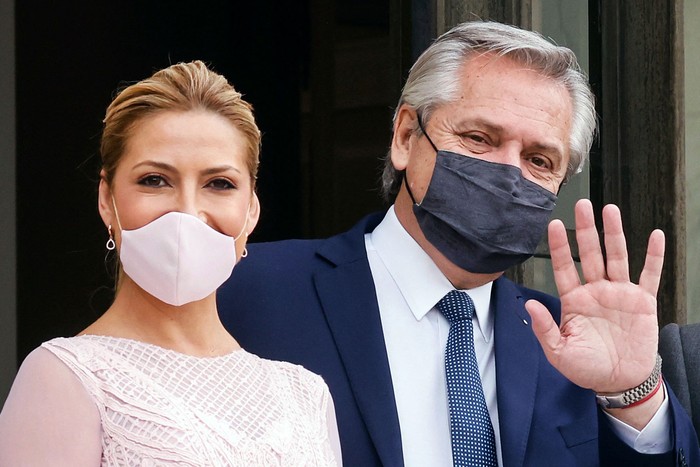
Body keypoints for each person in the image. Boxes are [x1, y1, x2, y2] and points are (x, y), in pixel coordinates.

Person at [218, 21, 699, 466]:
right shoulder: (245, 289)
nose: (509, 172)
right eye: (478, 137)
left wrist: (631, 394)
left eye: (539, 160)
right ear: (406, 136)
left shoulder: (569, 340)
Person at [0, 61, 341, 466]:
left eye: (219, 184)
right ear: (107, 199)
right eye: (155, 180)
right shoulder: (63, 377)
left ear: (251, 210)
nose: (187, 213)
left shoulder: (305, 395)